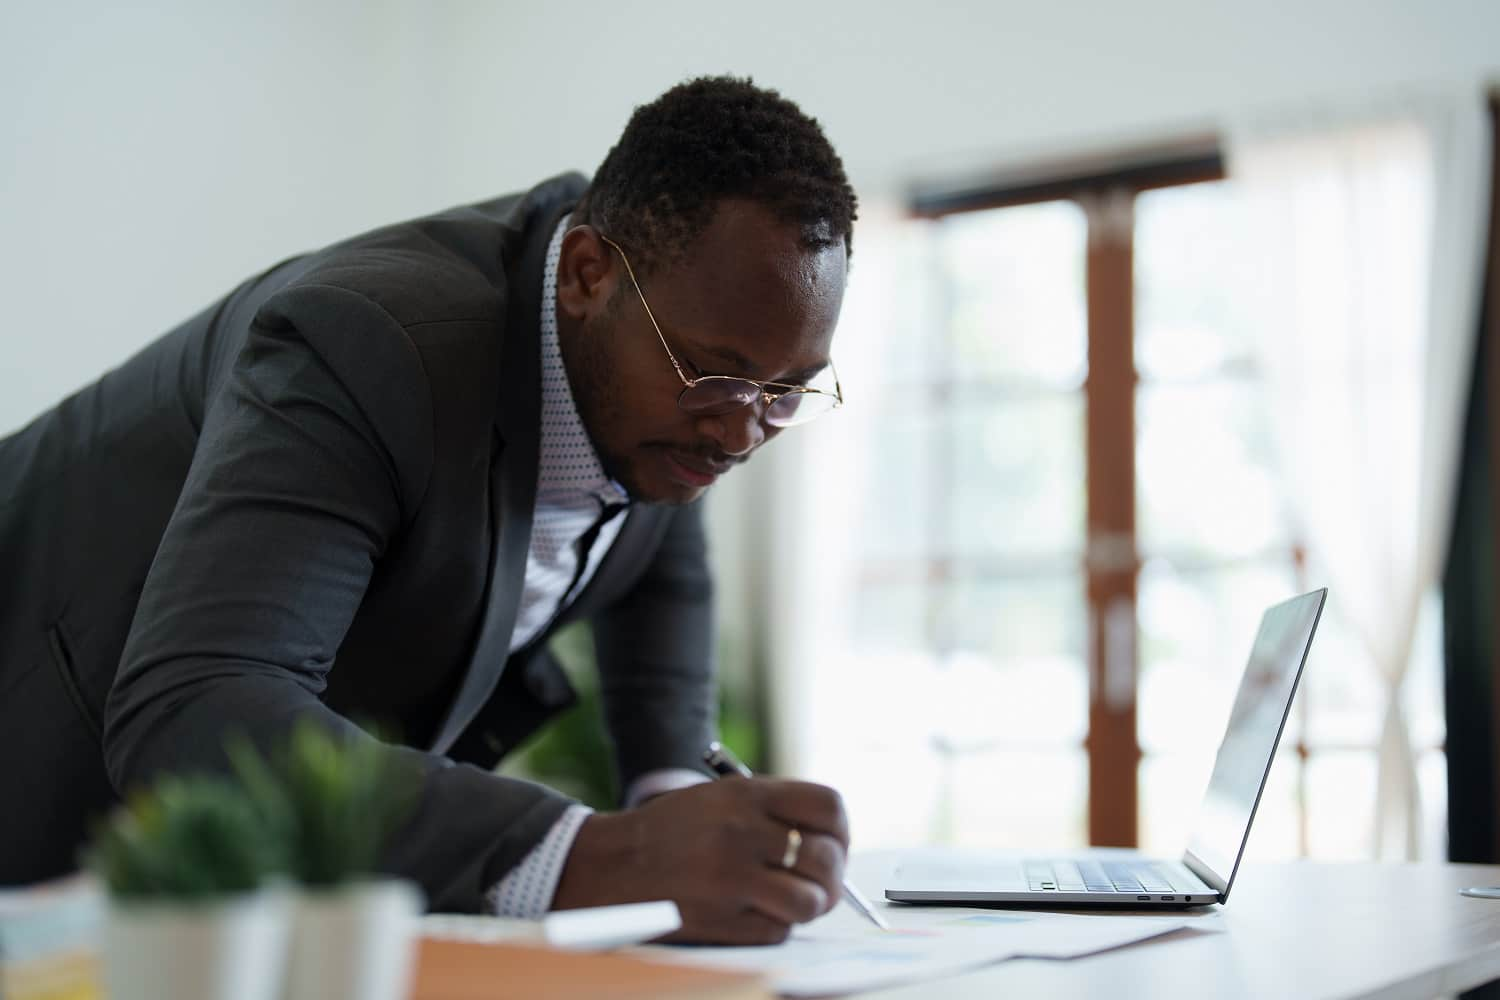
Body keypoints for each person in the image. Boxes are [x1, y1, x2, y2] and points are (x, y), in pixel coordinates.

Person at [0, 76, 858, 944]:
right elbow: (198, 703)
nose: (743, 433)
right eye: (716, 374)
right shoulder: (367, 344)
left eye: (788, 393)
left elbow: (656, 564)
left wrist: (672, 796)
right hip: (40, 798)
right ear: (589, 275)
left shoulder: (670, 383)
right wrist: (607, 855)